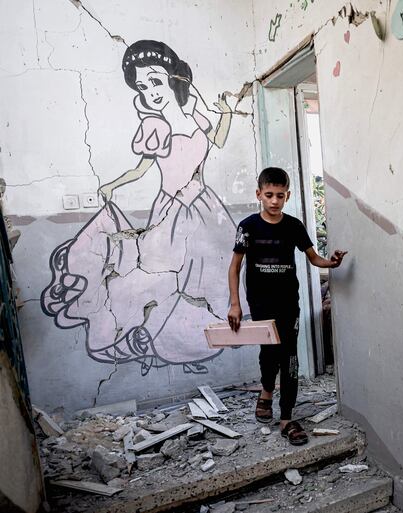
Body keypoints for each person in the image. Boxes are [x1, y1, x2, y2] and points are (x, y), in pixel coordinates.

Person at [41, 40, 235, 374]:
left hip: (206, 210)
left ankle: (201, 342)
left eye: (155, 82)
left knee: (212, 280)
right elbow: (141, 170)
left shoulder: (195, 114)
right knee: (165, 282)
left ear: (174, 78)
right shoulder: (153, 125)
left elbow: (217, 139)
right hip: (171, 212)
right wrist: (112, 185)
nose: (150, 92)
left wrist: (228, 113)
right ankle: (167, 344)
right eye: (143, 86)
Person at [227, 167, 347, 445]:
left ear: (287, 196)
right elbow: (234, 268)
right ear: (259, 194)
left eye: (280, 196)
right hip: (259, 304)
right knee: (269, 355)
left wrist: (332, 263)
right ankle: (267, 390)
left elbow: (314, 258)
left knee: (289, 358)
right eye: (269, 195)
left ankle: (286, 419)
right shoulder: (248, 226)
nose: (274, 201)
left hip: (288, 304)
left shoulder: (293, 226)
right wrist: (235, 305)